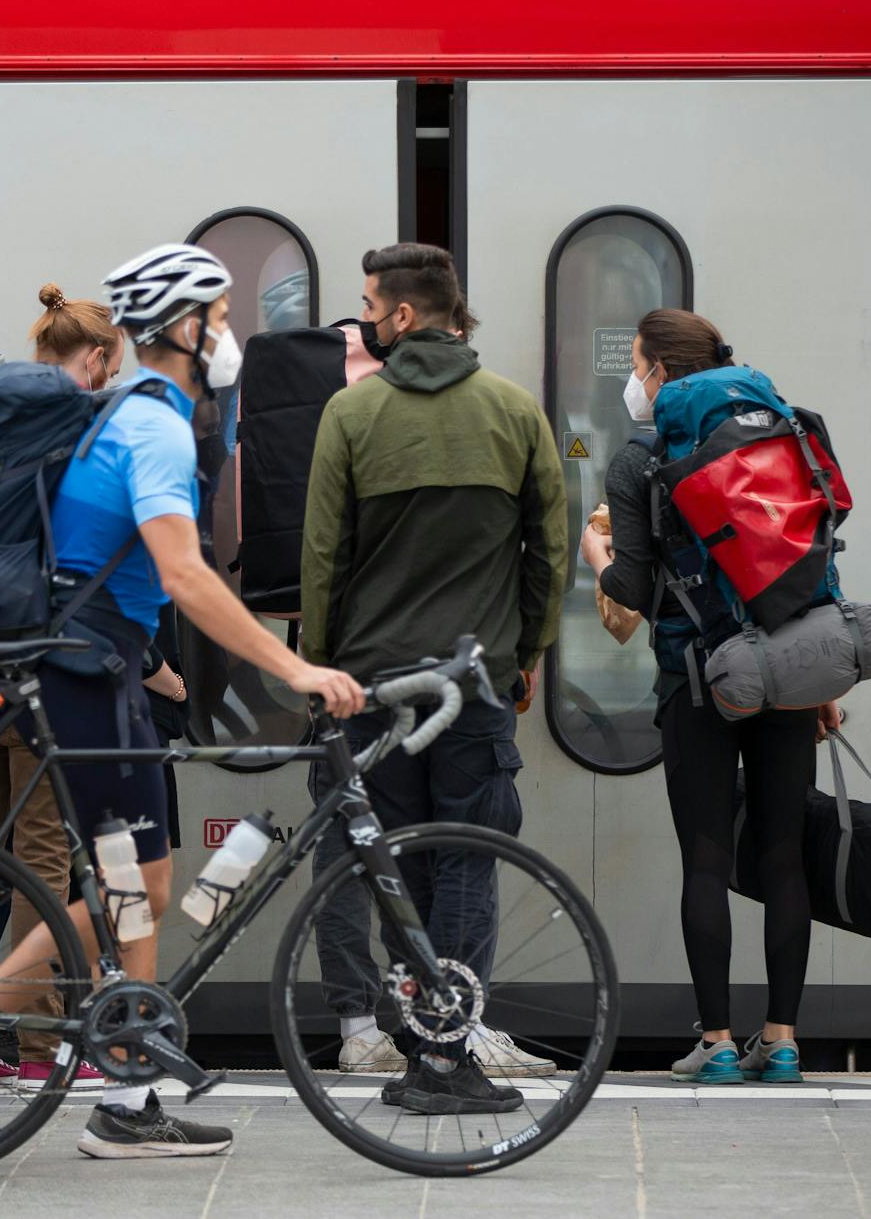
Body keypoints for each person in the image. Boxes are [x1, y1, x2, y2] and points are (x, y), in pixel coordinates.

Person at [0, 244, 366, 1161]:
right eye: (222, 316)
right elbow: (184, 575)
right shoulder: (152, 424)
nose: (231, 334)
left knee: (137, 890)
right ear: (184, 328)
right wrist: (296, 668)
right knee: (134, 890)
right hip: (88, 671)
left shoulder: (131, 411)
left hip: (98, 667)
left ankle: (125, 1077)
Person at [298, 243, 568, 1110]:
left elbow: (322, 559)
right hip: (475, 681)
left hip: (374, 687)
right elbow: (549, 556)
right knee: (467, 861)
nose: (368, 317)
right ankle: (448, 1055)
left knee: (400, 866)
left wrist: (324, 669)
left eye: (372, 304)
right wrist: (524, 656)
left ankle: (422, 1041)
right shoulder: (515, 412)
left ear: (404, 316)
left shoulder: (352, 414)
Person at [580, 309, 830, 1085]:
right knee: (786, 855)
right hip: (789, 672)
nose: (634, 381)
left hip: (696, 678)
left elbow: (630, 584)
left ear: (658, 373)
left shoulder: (639, 459)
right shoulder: (785, 432)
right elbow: (817, 561)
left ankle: (718, 1041)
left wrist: (596, 553)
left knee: (706, 857)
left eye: (639, 365)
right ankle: (782, 1040)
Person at [0, 284, 134, 1088]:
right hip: (39, 672)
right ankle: (34, 1043)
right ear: (97, 359)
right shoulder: (80, 437)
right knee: (45, 860)